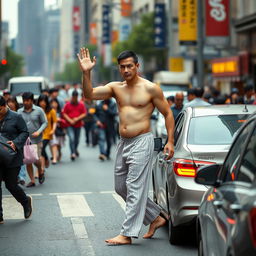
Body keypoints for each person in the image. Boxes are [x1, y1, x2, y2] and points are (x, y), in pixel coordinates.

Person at [77, 48, 174, 245]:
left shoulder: (151, 89)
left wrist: (170, 141)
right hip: (124, 143)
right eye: (123, 67)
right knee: (121, 187)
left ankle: (127, 234)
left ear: (137, 66)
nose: (127, 70)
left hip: (142, 140)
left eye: (130, 66)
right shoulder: (115, 87)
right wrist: (87, 72)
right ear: (119, 69)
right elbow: (89, 95)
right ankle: (156, 217)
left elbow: (168, 114)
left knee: (135, 187)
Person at [0, 96, 32, 224]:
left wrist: (15, 143)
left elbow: (25, 132)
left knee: (11, 185)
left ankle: (25, 202)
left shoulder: (16, 117)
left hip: (12, 157)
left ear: (4, 106)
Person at [18, 92, 48, 187]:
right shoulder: (19, 112)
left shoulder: (39, 110)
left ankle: (40, 170)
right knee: (28, 160)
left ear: (32, 100)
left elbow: (45, 123)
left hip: (37, 140)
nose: (25, 102)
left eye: (27, 100)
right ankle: (32, 180)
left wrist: (39, 131)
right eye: (24, 101)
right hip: (25, 140)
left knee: (36, 160)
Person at [62, 90, 87, 161]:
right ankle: (72, 153)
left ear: (77, 97)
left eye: (76, 98)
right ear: (72, 97)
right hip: (69, 125)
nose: (74, 99)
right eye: (73, 97)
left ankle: (75, 149)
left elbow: (84, 113)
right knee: (72, 138)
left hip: (78, 125)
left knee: (77, 140)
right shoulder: (67, 104)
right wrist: (70, 120)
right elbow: (64, 113)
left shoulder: (81, 104)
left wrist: (77, 119)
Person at [37, 95, 58, 170]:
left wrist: (53, 130)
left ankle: (45, 161)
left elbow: (55, 121)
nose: (42, 103)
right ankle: (45, 160)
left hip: (48, 133)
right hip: (39, 133)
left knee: (42, 148)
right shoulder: (36, 110)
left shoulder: (51, 111)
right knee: (40, 150)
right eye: (41, 101)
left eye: (44, 101)